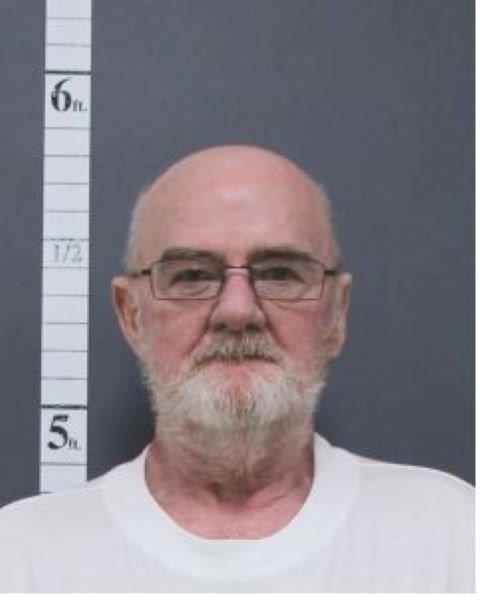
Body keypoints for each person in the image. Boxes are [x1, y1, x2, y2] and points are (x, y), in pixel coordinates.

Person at [0, 146, 474, 592]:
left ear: (337, 314)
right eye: (191, 276)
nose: (238, 310)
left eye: (280, 273)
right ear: (131, 315)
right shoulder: (24, 560)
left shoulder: (450, 539)